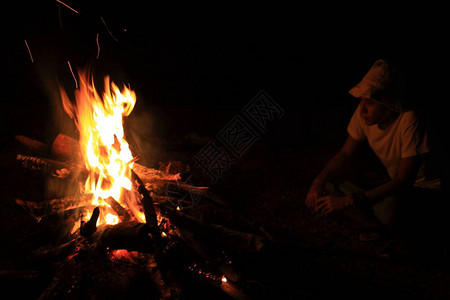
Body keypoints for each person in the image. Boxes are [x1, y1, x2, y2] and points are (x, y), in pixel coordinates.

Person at [305, 58, 442, 242]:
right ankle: (377, 227)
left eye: (370, 102)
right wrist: (318, 182)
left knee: (394, 208)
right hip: (393, 182)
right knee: (329, 185)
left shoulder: (409, 119)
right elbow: (345, 154)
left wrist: (349, 200)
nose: (362, 109)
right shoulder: (364, 113)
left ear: (387, 103)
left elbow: (404, 180)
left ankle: (380, 227)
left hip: (422, 191)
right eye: (362, 100)